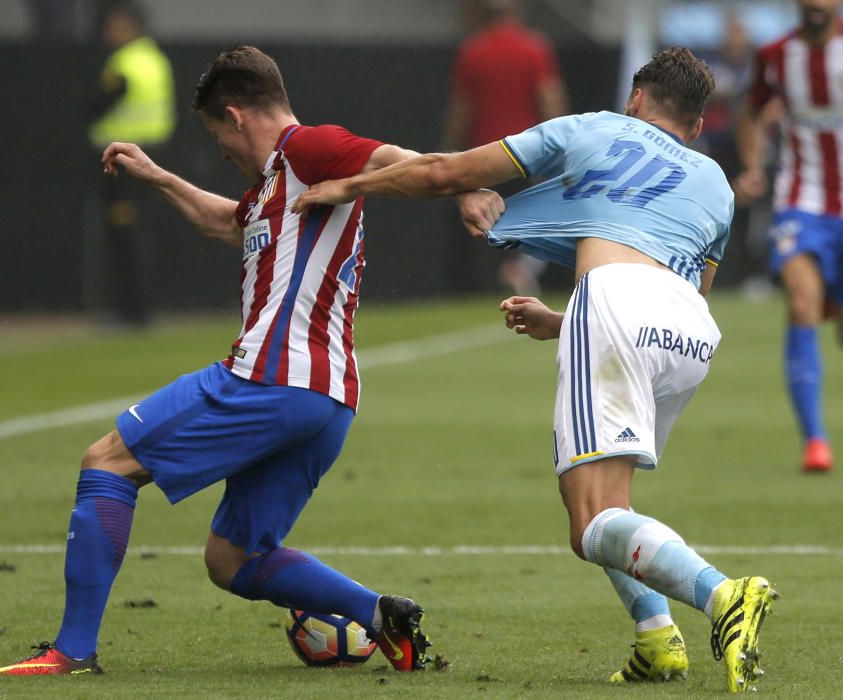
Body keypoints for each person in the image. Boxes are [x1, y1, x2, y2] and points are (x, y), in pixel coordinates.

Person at [0, 45, 502, 676]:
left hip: (270, 377)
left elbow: (407, 163)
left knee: (107, 463)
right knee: (230, 560)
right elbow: (228, 222)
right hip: (328, 401)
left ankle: (71, 651)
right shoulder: (273, 189)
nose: (224, 151)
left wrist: (464, 186)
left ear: (234, 116)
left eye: (216, 135)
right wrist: (161, 177)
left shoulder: (308, 148)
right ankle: (380, 615)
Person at [294, 47, 779, 693]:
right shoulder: (715, 181)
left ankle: (724, 596)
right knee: (614, 504)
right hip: (688, 332)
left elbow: (442, 172)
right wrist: (566, 322)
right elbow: (687, 285)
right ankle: (655, 639)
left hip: (615, 306)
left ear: (636, 98)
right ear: (695, 123)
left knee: (591, 522)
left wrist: (348, 185)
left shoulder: (592, 126)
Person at [735, 0, 843, 473]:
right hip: (801, 201)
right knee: (802, 304)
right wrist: (754, 167)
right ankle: (815, 441)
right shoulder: (776, 55)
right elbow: (749, 113)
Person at [443, 0, 567, 295]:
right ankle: (516, 269)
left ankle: (486, 286)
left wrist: (450, 150)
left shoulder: (472, 52)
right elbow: (549, 100)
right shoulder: (535, 49)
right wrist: (562, 146)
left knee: (482, 223)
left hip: (482, 156)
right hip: (524, 154)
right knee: (532, 215)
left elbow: (461, 109)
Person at [87, 2, 176, 328]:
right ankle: (141, 310)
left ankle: (132, 313)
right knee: (142, 234)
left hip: (125, 162)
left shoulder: (125, 64)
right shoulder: (155, 60)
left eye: (114, 26)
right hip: (154, 158)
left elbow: (97, 105)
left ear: (128, 27)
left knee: (126, 235)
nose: (109, 32)